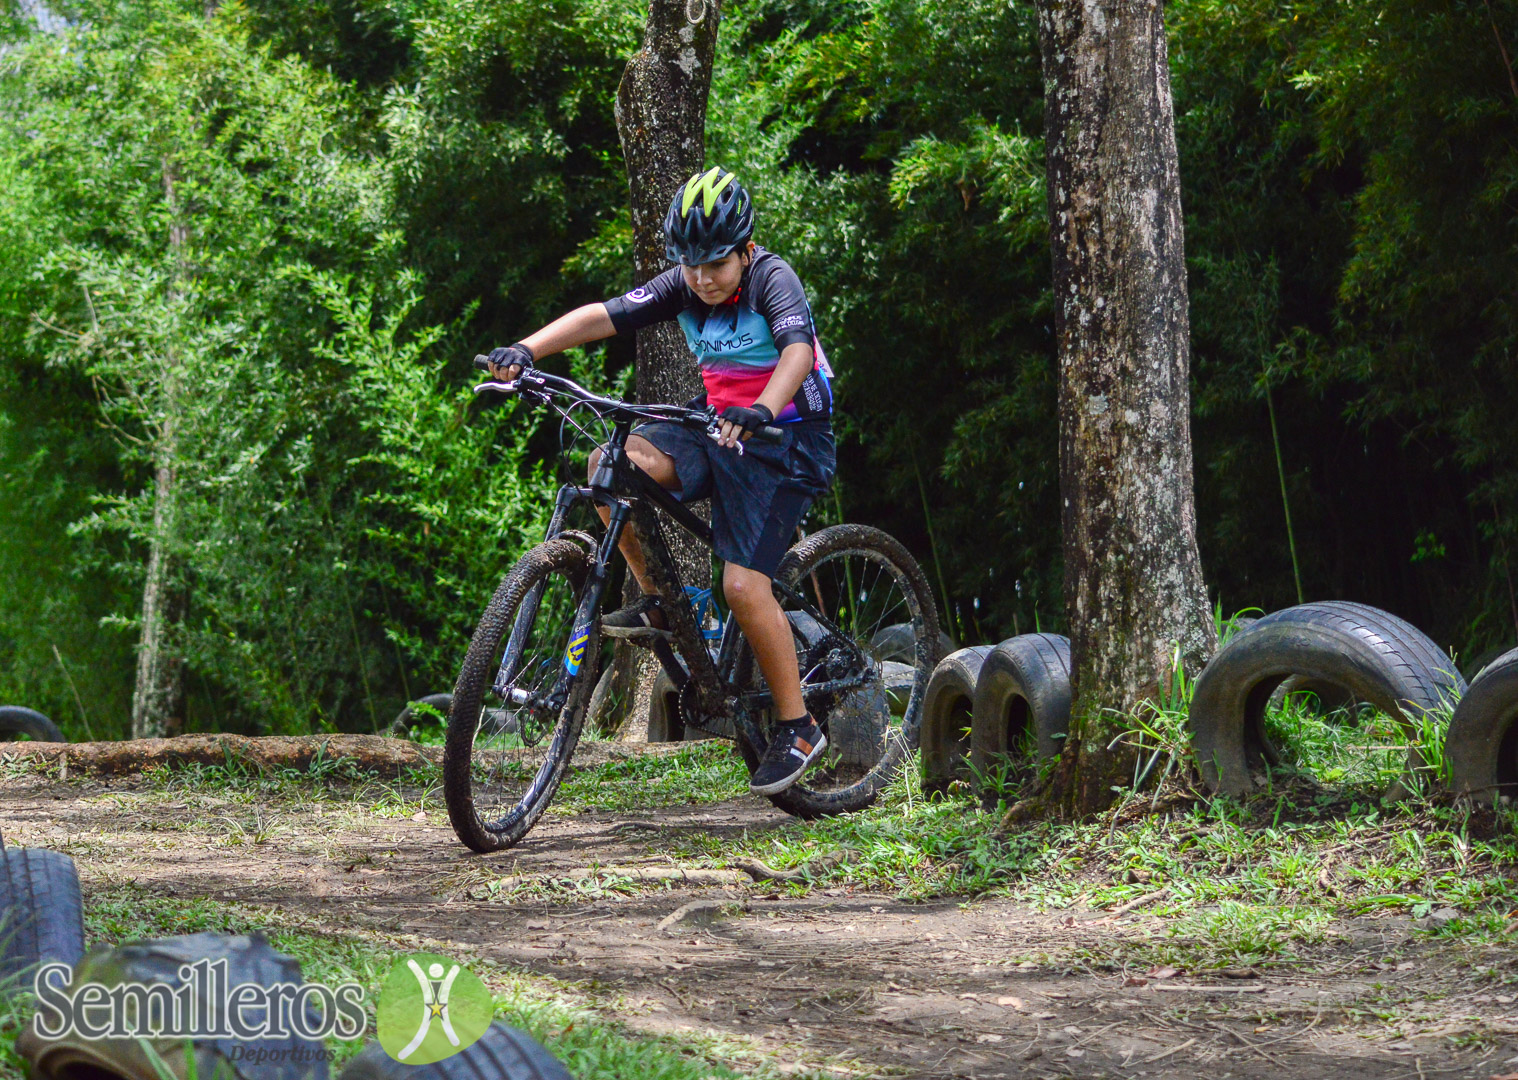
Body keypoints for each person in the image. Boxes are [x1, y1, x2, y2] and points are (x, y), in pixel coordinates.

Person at [479, 166, 836, 797]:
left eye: (715, 262)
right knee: (610, 468)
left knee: (744, 586)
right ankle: (670, 603)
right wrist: (526, 351)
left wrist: (763, 408)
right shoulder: (686, 285)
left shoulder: (770, 279)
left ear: (744, 249)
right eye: (690, 263)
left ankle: (798, 725)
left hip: (787, 440)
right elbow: (604, 315)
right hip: (715, 426)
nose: (701, 276)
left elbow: (797, 354)